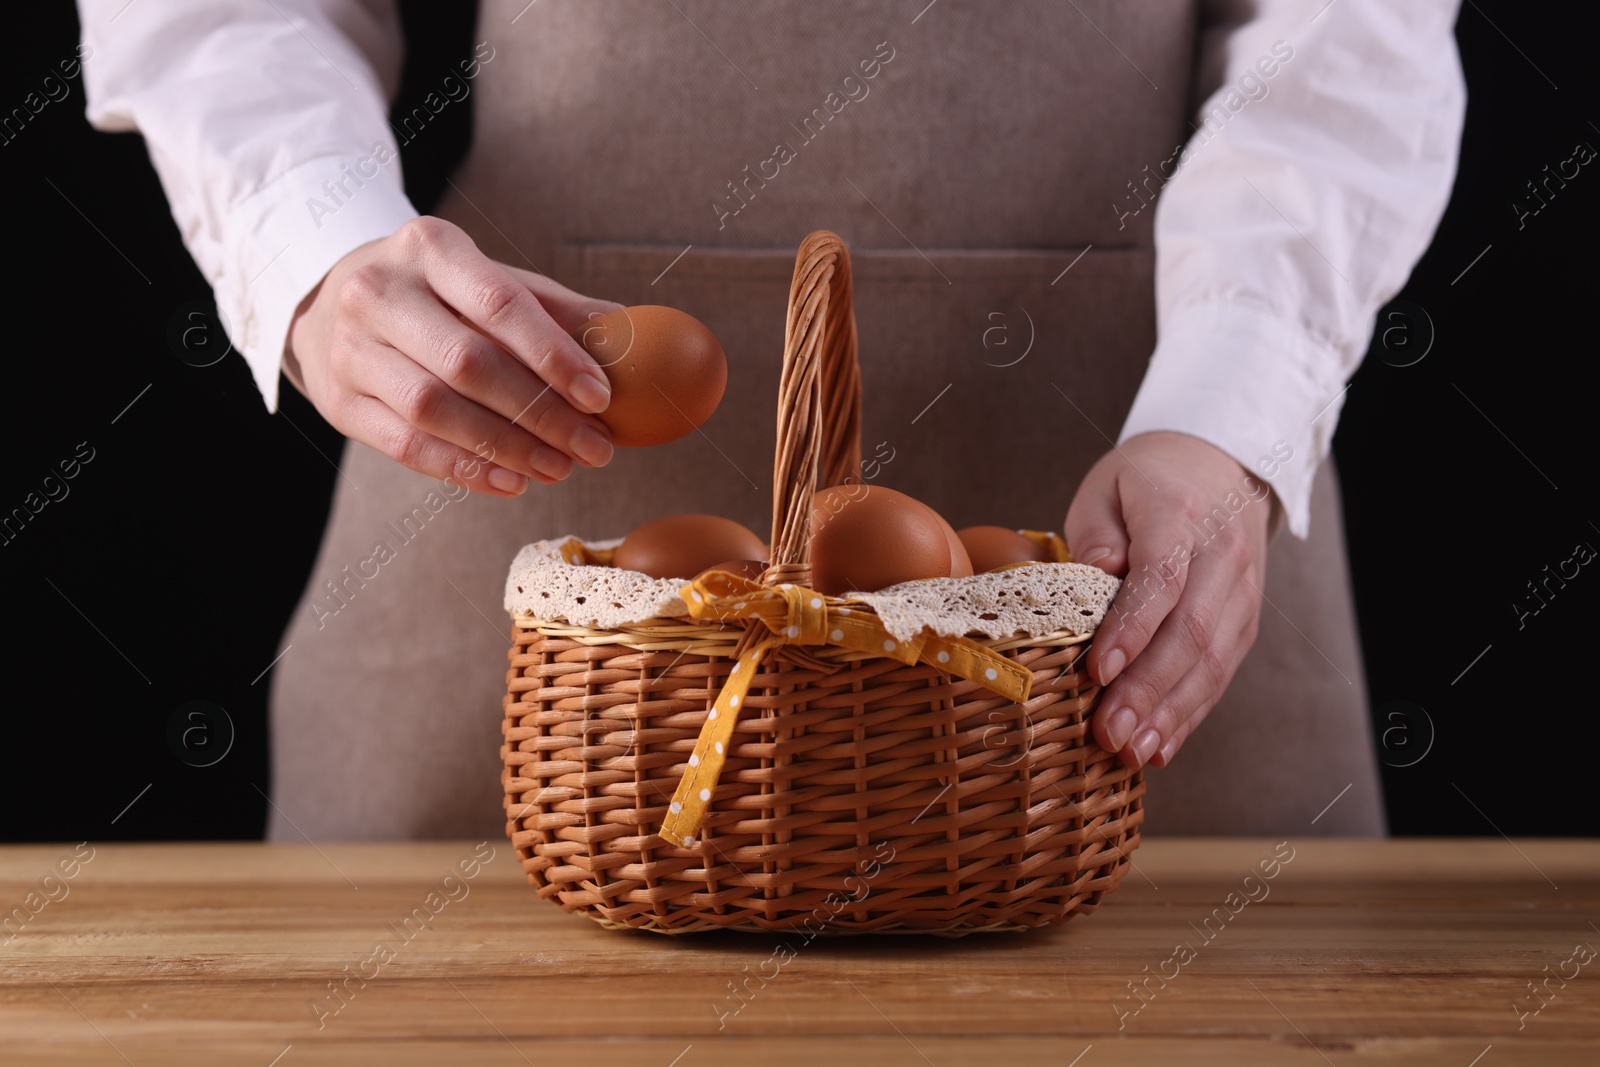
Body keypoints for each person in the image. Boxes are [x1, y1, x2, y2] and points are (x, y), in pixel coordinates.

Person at [79, 0, 1465, 839]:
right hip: (525, 504)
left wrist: (1237, 399)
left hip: (1139, 519)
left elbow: (1351, 26)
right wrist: (311, 241)